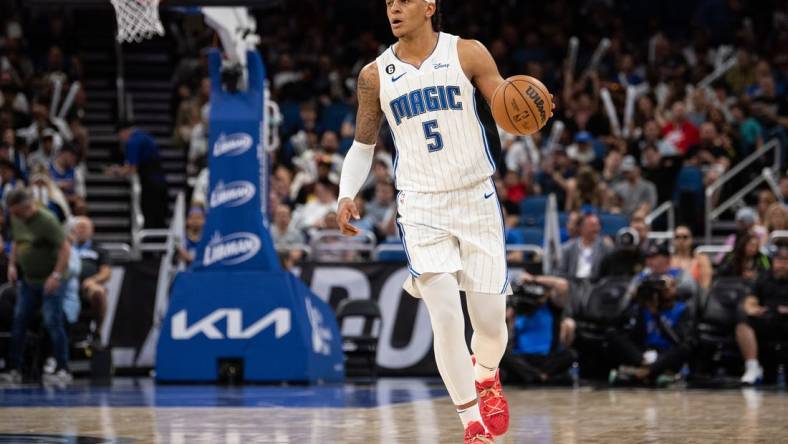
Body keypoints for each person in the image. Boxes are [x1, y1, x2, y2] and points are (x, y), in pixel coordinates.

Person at [335, 1, 554, 440]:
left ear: (429, 6)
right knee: (446, 317)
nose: (394, 9)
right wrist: (345, 194)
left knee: (491, 325)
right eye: (388, 3)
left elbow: (503, 105)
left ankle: (486, 373)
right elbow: (363, 145)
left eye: (404, 1)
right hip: (421, 205)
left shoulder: (468, 53)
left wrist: (531, 105)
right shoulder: (374, 75)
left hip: (476, 197)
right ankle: (470, 423)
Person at [0, 188, 73, 384]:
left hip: (51, 280)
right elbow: (17, 241)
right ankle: (14, 368)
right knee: (19, 321)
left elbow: (65, 248)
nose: (13, 216)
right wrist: (13, 265)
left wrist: (56, 276)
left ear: (27, 207)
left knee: (52, 322)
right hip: (29, 280)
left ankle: (62, 369)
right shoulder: (17, 218)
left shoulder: (47, 220)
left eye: (16, 212)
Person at [607, 275, 694, 386]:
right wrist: (633, 300)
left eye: (671, 286)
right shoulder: (644, 307)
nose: (666, 289)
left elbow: (676, 340)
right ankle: (650, 371)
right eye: (662, 287)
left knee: (685, 346)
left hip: (665, 354)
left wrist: (656, 316)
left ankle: (645, 372)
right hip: (643, 355)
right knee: (613, 334)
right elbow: (622, 327)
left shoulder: (682, 309)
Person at [500, 272, 577, 385]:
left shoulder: (551, 306)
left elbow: (562, 285)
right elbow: (509, 341)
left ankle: (534, 376)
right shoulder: (515, 311)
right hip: (523, 358)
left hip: (546, 358)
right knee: (502, 354)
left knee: (570, 355)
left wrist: (534, 279)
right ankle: (539, 377)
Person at [735, 243, 788, 384]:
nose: (782, 265)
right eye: (779, 261)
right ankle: (752, 367)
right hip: (768, 318)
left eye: (786, 261)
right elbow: (750, 301)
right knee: (742, 318)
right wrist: (753, 308)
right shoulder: (763, 278)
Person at [106, 120, 169, 228]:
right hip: (160, 181)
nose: (121, 139)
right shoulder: (145, 136)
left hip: (150, 183)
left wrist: (116, 172)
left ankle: (151, 239)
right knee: (160, 215)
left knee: (150, 213)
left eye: (120, 136)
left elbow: (132, 169)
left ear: (124, 132)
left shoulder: (133, 141)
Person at [71, 216, 111, 338]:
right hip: (67, 284)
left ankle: (97, 331)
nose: (82, 230)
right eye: (79, 227)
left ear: (92, 230)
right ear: (73, 230)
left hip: (86, 287)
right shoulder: (65, 248)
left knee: (99, 291)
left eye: (85, 227)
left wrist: (93, 280)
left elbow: (106, 272)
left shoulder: (99, 250)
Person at [558, 213, 612, 281]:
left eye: (597, 225)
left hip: (596, 284)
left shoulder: (605, 247)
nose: (596, 229)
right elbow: (561, 271)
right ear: (581, 227)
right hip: (572, 283)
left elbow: (609, 272)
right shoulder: (568, 248)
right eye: (592, 225)